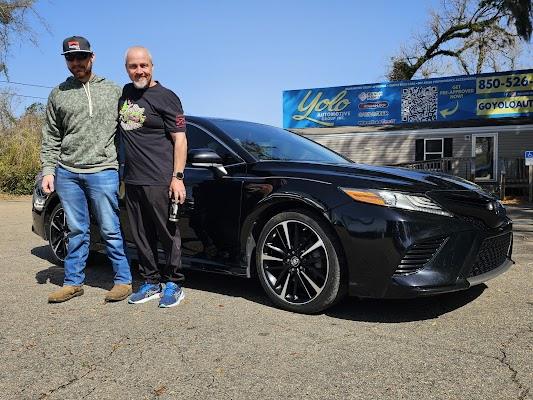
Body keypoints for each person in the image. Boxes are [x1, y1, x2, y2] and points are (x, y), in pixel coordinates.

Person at [41, 36, 132, 303]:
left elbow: (132, 127)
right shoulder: (58, 93)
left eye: (81, 57)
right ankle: (73, 283)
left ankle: (123, 280)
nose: (76, 62)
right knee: (76, 230)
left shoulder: (114, 90)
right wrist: (48, 170)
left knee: (110, 228)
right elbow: (51, 136)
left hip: (103, 170)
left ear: (92, 57)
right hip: (67, 172)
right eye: (70, 58)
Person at [118, 46, 187, 308]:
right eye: (133, 66)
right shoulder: (125, 94)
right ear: (127, 69)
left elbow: (180, 140)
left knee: (167, 234)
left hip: (160, 179)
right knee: (141, 235)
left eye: (144, 65)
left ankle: (174, 283)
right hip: (132, 179)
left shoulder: (167, 97)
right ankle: (150, 282)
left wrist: (177, 177)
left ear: (152, 67)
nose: (139, 71)